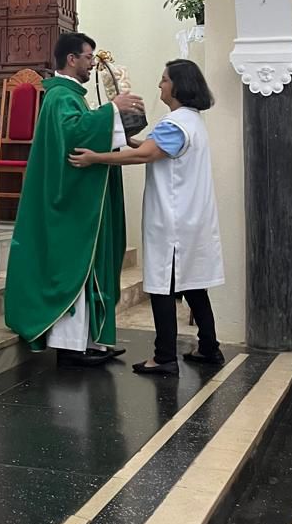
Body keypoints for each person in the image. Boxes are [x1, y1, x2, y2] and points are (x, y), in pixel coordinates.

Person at [69, 59, 224, 376]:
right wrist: (125, 140)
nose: (160, 85)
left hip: (173, 221)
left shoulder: (175, 124)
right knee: (193, 286)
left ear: (178, 86)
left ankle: (164, 356)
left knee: (163, 287)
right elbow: (154, 148)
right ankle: (209, 348)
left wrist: (95, 158)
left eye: (164, 80)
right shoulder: (190, 121)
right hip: (191, 218)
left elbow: (146, 154)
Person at [4, 32, 145, 367]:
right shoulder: (59, 97)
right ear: (71, 59)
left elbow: (84, 129)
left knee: (86, 264)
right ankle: (70, 346)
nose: (91, 64)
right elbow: (73, 134)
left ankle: (90, 341)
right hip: (65, 203)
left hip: (79, 197)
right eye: (87, 57)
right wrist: (112, 110)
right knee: (73, 266)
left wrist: (114, 118)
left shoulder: (72, 96)